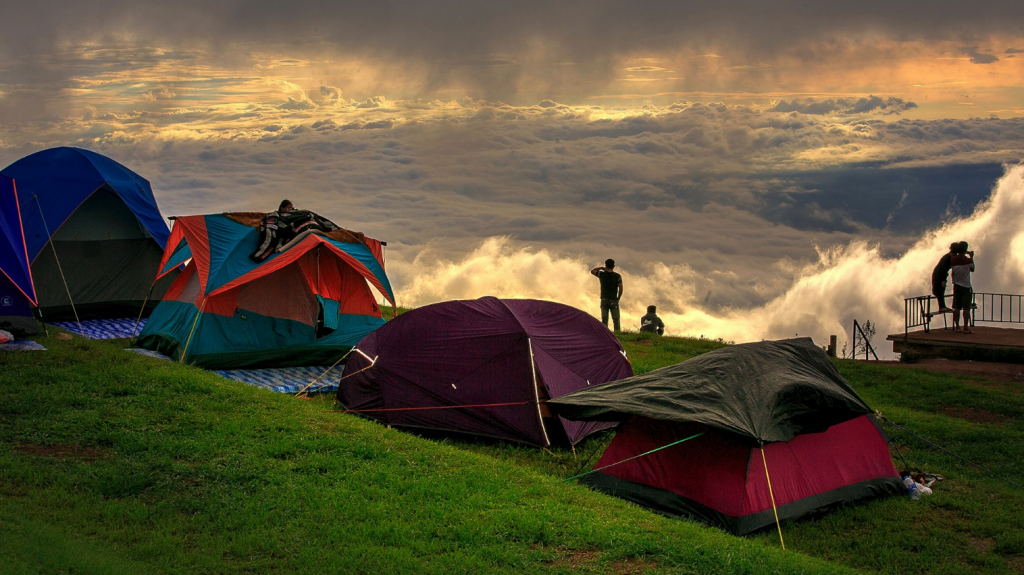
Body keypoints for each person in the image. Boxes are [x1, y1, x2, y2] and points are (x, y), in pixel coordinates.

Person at [950, 241, 975, 334]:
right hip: (966, 286)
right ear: (965, 249)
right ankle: (965, 327)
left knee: (956, 307)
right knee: (966, 308)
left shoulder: (953, 259)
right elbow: (972, 269)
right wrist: (971, 257)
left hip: (956, 285)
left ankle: (957, 326)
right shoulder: (967, 260)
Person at [591, 258, 623, 332]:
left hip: (604, 299)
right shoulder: (617, 276)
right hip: (613, 299)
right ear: (614, 266)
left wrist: (601, 268)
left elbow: (593, 271)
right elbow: (620, 288)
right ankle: (617, 334)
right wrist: (618, 297)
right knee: (616, 319)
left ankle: (604, 333)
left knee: (604, 319)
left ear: (606, 265)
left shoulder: (602, 274)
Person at [931, 242, 957, 312]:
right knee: (940, 290)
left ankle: (943, 306)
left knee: (941, 291)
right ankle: (942, 307)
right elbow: (942, 269)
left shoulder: (948, 256)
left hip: (939, 275)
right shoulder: (948, 257)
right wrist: (943, 279)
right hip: (939, 276)